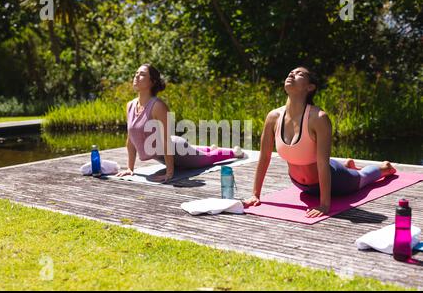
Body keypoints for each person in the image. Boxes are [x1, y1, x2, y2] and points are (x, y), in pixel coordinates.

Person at [242, 66, 396, 218]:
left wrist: (325, 205)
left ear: (310, 87)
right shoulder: (273, 117)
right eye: (291, 72)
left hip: (336, 181)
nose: (292, 73)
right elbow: (264, 157)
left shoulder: (318, 118)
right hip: (300, 184)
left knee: (362, 178)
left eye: (299, 73)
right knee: (341, 169)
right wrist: (255, 195)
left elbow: (322, 163)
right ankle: (347, 165)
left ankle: (383, 167)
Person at [115, 64, 244, 182]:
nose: (137, 76)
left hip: (177, 150)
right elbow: (131, 138)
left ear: (152, 82)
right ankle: (210, 148)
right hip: (164, 155)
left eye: (142, 74)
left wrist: (169, 173)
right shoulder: (130, 106)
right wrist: (130, 168)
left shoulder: (157, 106)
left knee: (208, 159)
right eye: (136, 73)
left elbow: (166, 140)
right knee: (198, 152)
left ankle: (233, 152)